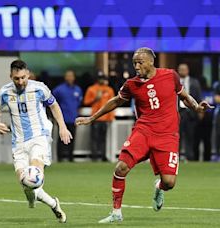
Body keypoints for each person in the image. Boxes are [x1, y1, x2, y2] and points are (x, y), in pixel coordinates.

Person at [75, 47, 213, 223]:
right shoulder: (132, 84)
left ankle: (159, 187)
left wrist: (197, 107)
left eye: (140, 62)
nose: (136, 66)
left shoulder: (170, 76)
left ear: (151, 62)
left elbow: (185, 97)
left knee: (169, 183)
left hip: (167, 135)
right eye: (134, 63)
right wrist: (92, 118)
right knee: (121, 168)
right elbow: (117, 101)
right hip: (143, 132)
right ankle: (116, 213)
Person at [0, 60, 72, 223]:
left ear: (28, 74)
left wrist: (62, 127)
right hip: (18, 142)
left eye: (23, 77)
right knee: (26, 184)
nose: (21, 82)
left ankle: (36, 197)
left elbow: (54, 105)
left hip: (39, 137)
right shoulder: (5, 92)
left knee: (33, 175)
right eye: (16, 78)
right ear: (11, 77)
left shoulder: (39, 88)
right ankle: (53, 204)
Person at [52, 70, 82, 162]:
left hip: (73, 118)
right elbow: (52, 103)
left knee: (72, 138)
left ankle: (70, 157)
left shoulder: (77, 89)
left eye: (71, 76)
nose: (69, 78)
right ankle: (60, 158)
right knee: (61, 139)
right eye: (68, 76)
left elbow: (79, 102)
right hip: (63, 119)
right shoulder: (59, 89)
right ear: (65, 77)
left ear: (74, 77)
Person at [83, 75, 115, 161]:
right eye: (101, 78)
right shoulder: (92, 89)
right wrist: (95, 99)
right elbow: (86, 102)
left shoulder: (109, 89)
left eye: (103, 79)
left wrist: (111, 117)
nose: (102, 80)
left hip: (105, 118)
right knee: (94, 138)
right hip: (95, 117)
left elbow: (113, 104)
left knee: (103, 138)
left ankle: (103, 155)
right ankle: (94, 156)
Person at [177, 63, 202, 161]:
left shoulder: (194, 82)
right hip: (178, 113)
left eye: (184, 69)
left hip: (191, 114)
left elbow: (198, 97)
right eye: (180, 69)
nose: (182, 71)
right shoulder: (175, 82)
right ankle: (176, 158)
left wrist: (199, 111)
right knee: (177, 137)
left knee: (190, 137)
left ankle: (190, 158)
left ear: (188, 70)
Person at [213, 81, 220, 161]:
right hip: (219, 113)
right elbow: (217, 99)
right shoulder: (218, 85)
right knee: (218, 134)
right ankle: (217, 155)